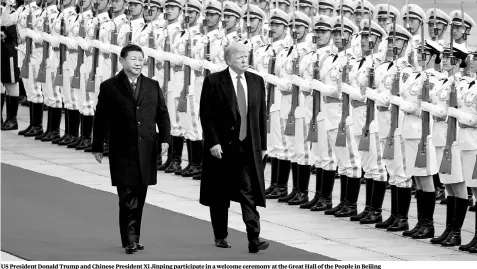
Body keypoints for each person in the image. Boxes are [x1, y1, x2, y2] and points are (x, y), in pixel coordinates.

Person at [91, 44, 171, 254]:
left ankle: (134, 236)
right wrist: (98, 145)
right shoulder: (110, 86)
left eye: (140, 59)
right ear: (122, 61)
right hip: (122, 149)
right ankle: (129, 240)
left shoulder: (152, 85)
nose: (137, 63)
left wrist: (165, 139)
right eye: (133, 59)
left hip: (146, 148)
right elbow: (101, 118)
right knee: (126, 196)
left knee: (140, 195)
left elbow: (162, 114)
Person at [199, 42, 269, 253]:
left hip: (247, 147)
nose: (244, 60)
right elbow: (206, 114)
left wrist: (262, 145)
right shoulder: (214, 81)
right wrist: (213, 142)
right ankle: (220, 235)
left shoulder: (256, 81)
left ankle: (253, 237)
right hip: (222, 147)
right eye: (239, 57)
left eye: (246, 56)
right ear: (228, 60)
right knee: (219, 193)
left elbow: (260, 116)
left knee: (248, 192)